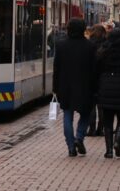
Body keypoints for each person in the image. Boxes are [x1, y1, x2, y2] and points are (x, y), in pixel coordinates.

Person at [53, 17, 97, 157]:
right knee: (85, 114)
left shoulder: (60, 45)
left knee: (67, 115)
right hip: (85, 87)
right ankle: (79, 137)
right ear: (84, 29)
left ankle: (71, 146)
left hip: (65, 87)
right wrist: (95, 88)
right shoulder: (90, 46)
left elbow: (56, 69)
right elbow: (94, 69)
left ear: (68, 29)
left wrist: (55, 88)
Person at [96, 29, 120, 158]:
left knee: (107, 122)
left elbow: (97, 70)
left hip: (105, 89)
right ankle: (118, 142)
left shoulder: (103, 51)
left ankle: (109, 150)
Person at [86, 24, 107, 136]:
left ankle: (91, 129)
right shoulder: (107, 45)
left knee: (91, 106)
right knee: (102, 106)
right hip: (103, 79)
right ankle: (101, 129)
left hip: (90, 79)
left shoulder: (88, 45)